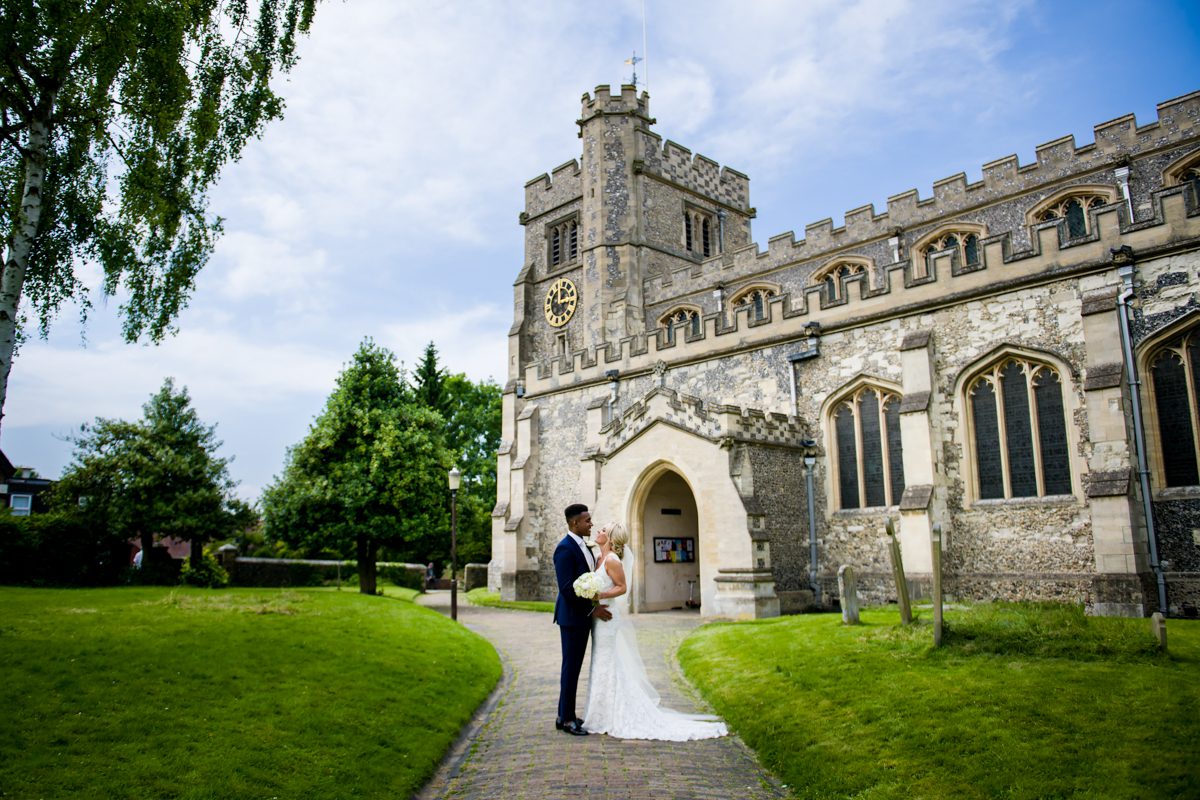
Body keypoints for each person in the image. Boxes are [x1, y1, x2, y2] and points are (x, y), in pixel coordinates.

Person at [582, 522, 727, 741]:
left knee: (608, 661)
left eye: (603, 530)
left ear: (610, 538)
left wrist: (598, 596)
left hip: (608, 617)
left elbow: (622, 587)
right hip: (599, 618)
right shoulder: (599, 557)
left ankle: (612, 714)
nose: (599, 531)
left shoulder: (612, 560)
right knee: (601, 661)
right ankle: (600, 712)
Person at [552, 503, 611, 736]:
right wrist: (592, 610)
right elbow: (567, 589)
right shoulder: (564, 549)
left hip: (580, 617)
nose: (591, 524)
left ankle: (562, 714)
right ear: (574, 523)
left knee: (574, 668)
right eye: (587, 521)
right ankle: (567, 720)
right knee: (571, 668)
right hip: (572, 618)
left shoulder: (585, 547)